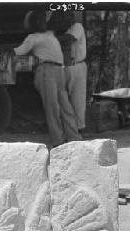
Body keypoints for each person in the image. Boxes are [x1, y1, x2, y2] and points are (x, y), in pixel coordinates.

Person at [11, 11, 81, 147]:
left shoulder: (50, 34)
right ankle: (58, 141)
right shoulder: (33, 37)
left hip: (58, 71)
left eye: (43, 20)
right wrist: (11, 52)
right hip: (45, 71)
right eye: (39, 20)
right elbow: (20, 50)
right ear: (34, 24)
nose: (42, 22)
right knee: (52, 107)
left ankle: (74, 138)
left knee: (65, 106)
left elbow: (56, 18)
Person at [51, 12, 88, 136]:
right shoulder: (60, 30)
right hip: (64, 67)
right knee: (65, 101)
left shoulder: (77, 27)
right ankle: (69, 130)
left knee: (77, 99)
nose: (66, 18)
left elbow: (69, 39)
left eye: (68, 16)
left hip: (77, 66)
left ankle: (79, 129)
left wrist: (53, 39)